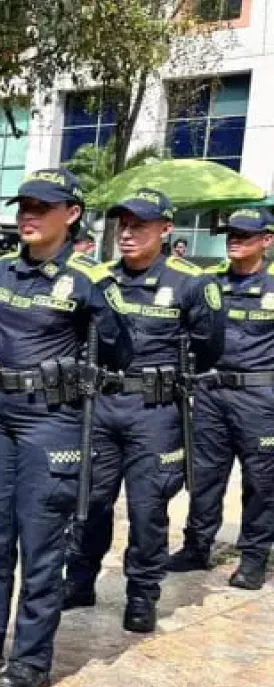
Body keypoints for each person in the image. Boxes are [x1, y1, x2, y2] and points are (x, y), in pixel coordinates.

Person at [0, 169, 132, 687]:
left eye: (41, 207)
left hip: (52, 419)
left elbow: (119, 350)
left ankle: (31, 659)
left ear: (70, 214)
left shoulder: (89, 279)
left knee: (41, 543)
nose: (28, 216)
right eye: (23, 206)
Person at [62, 189, 223, 630]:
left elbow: (210, 348)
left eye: (140, 226)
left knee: (147, 507)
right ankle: (79, 582)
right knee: (89, 500)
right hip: (102, 404)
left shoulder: (192, 282)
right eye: (124, 225)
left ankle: (142, 594)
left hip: (155, 410)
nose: (128, 234)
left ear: (166, 229)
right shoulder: (101, 276)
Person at [168, 207, 274, 590]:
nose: (235, 240)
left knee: (262, 481)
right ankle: (197, 546)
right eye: (231, 234)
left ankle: (253, 558)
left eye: (245, 235)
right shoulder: (208, 283)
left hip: (260, 396)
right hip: (210, 392)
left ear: (267, 240)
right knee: (205, 473)